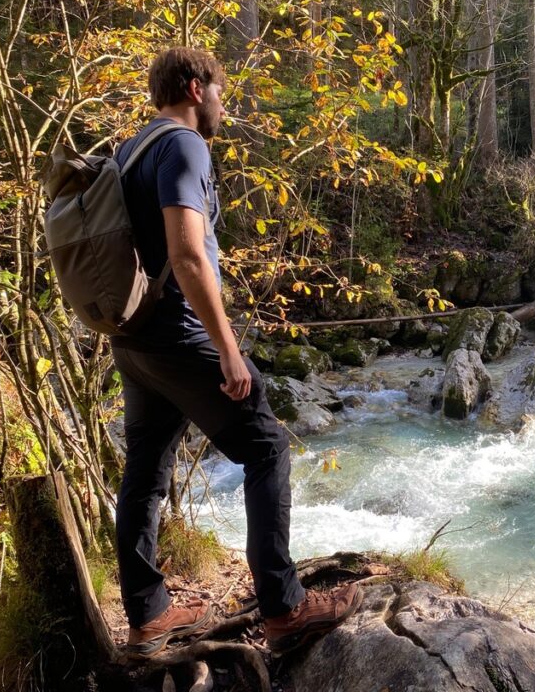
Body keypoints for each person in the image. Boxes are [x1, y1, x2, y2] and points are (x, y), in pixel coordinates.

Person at [112, 47, 362, 658]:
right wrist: (227, 348)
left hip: (133, 338)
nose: (225, 103)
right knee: (268, 447)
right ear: (196, 88)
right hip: (176, 334)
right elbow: (189, 254)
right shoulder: (182, 145)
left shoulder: (131, 149)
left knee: (146, 469)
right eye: (221, 91)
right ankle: (284, 609)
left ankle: (148, 616)